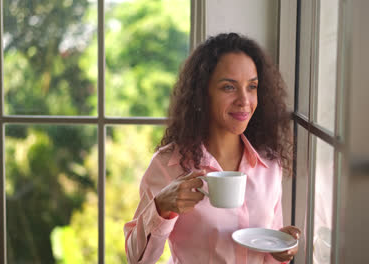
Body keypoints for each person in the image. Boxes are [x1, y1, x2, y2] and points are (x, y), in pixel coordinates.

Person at [124, 32, 301, 264]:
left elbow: (268, 248)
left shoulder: (269, 164)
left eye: (252, 86)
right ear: (203, 93)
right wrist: (161, 207)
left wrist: (280, 250)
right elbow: (136, 259)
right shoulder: (169, 164)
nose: (244, 100)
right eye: (229, 87)